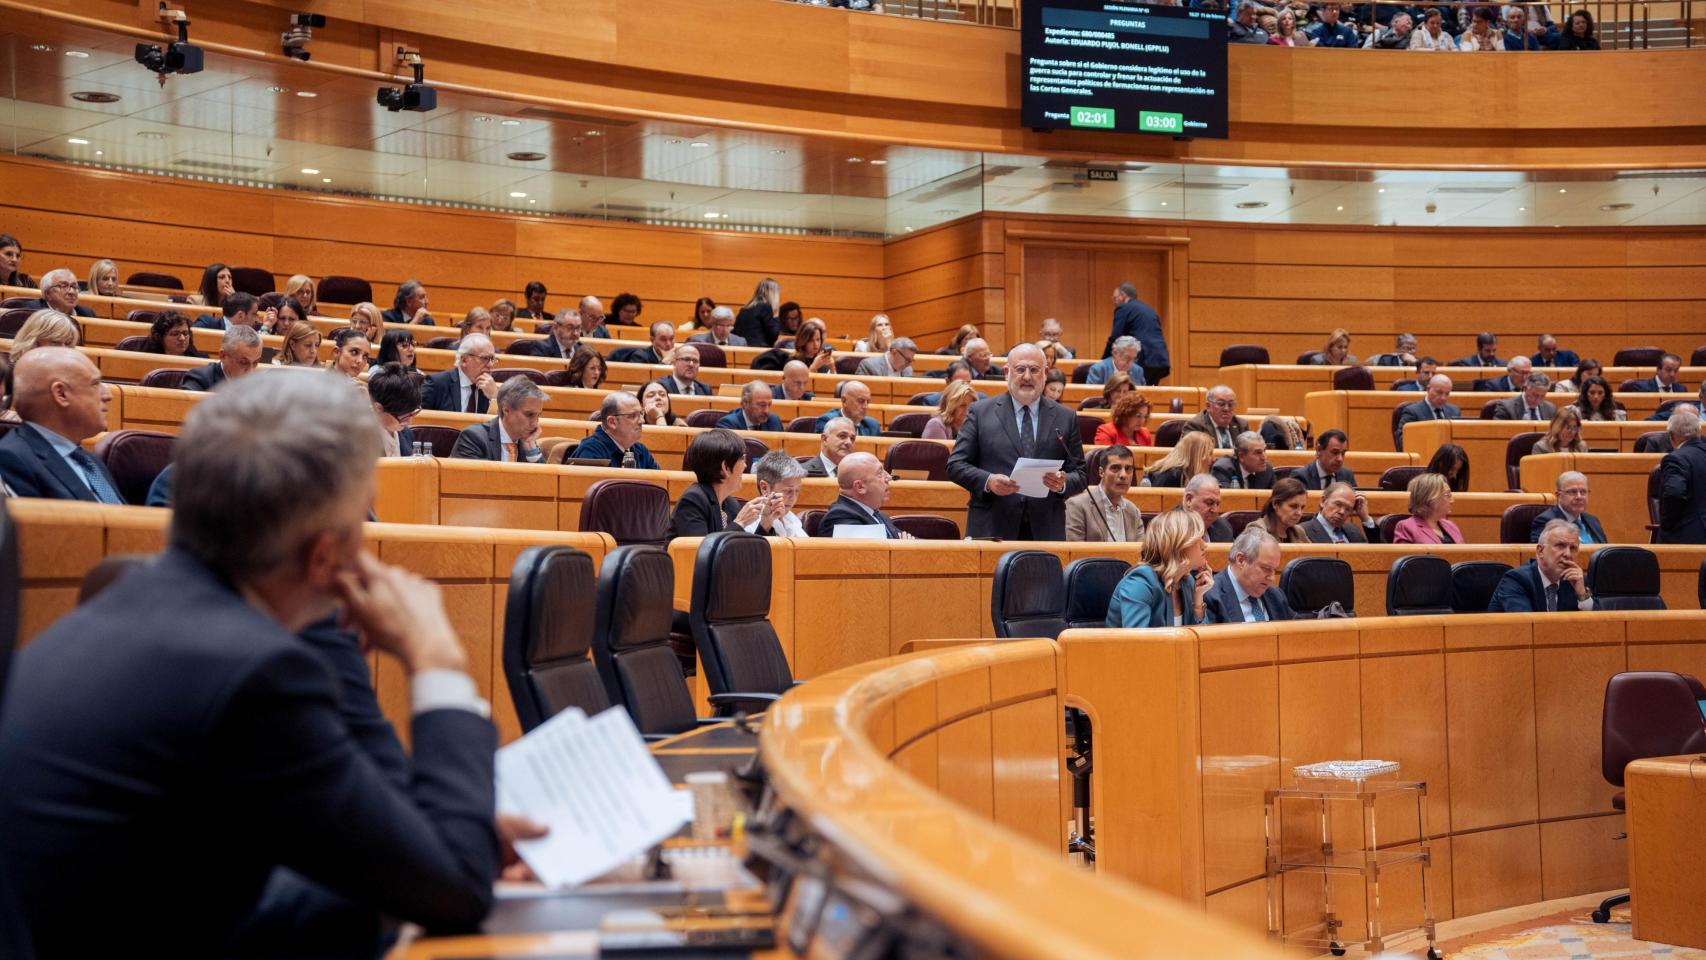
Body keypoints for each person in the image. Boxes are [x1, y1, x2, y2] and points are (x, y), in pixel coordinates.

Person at [0, 370, 503, 957]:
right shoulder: (252, 674)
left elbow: (218, 893)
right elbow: (457, 887)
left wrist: (427, 842)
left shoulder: (120, 611)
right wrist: (435, 659)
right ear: (325, 556)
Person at [946, 344, 1087, 540]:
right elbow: (956, 465)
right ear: (1006, 372)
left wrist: (1062, 483)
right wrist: (989, 481)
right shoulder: (980, 412)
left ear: (1045, 373)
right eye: (1020, 369)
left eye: (1034, 370)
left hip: (1045, 530)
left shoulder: (1066, 417)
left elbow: (1080, 474)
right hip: (992, 526)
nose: (1027, 377)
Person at [0, 347, 121, 502]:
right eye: (95, 384)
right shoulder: (12, 459)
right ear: (61, 394)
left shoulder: (90, 461)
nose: (108, 395)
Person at [1105, 507, 1213, 628]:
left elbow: (1199, 642)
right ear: (1178, 544)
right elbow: (1137, 643)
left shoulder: (1186, 582)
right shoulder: (1140, 582)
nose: (1204, 545)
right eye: (1199, 539)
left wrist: (1198, 602)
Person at [669, 429, 763, 538]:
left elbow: (743, 550)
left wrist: (765, 523)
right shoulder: (693, 501)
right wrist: (739, 523)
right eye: (742, 458)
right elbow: (699, 550)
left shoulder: (731, 505)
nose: (745, 465)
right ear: (725, 467)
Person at [1490, 520, 1597, 612]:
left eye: (1573, 548)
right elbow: (1528, 626)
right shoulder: (1516, 580)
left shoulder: (1575, 582)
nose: (1568, 554)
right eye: (1560, 546)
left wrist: (1582, 595)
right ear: (1540, 551)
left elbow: (1594, 627)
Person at [1203, 528, 1297, 624]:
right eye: (1266, 568)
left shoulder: (1276, 596)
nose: (1272, 578)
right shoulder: (1211, 597)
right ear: (1241, 560)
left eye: (1274, 570)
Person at [816, 452, 910, 539]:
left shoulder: (877, 514)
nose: (889, 478)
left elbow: (908, 542)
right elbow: (871, 555)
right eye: (880, 473)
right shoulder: (840, 517)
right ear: (860, 487)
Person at [450, 377, 545, 463]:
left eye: (538, 415)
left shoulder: (527, 445)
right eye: (529, 415)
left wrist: (532, 451)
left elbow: (545, 481)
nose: (535, 423)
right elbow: (473, 480)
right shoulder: (474, 438)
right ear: (506, 409)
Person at [1066, 444, 1143, 543]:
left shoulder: (1133, 511)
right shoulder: (1077, 506)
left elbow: (1142, 554)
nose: (1123, 475)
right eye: (1115, 468)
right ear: (1101, 472)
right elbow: (1075, 554)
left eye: (1128, 469)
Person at [1104, 283, 1169, 385]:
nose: (1114, 302)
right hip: (1160, 359)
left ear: (1123, 296)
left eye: (1115, 298)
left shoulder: (1123, 308)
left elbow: (1115, 338)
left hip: (1142, 359)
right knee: (1147, 395)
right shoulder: (1150, 310)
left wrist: (1104, 361)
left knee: (1131, 394)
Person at [576, 392, 661, 469]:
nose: (642, 421)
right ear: (612, 422)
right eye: (633, 416)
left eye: (641, 413)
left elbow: (659, 484)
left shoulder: (641, 450)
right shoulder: (589, 451)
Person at [1658, 407, 1706, 543]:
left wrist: (1666, 525)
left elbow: (1674, 493)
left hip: (1688, 536)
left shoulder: (1675, 458)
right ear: (1699, 432)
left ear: (1671, 436)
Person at [421, 334, 498, 414]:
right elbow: (418, 419)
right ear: (464, 360)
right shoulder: (436, 384)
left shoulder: (490, 388)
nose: (490, 365)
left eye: (492, 359)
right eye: (484, 358)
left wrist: (494, 398)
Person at [1526, 470, 1606, 544]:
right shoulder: (1545, 521)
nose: (1579, 497)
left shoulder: (1592, 520)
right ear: (1558, 495)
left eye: (1583, 492)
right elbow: (1543, 555)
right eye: (1573, 492)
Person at [742, 451, 809, 537]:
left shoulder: (792, 519)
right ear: (764, 488)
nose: (793, 498)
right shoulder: (749, 522)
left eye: (797, 491)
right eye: (788, 491)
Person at [183, 325, 263, 392]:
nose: (250, 371)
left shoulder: (260, 385)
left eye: (255, 362)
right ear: (223, 356)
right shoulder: (199, 379)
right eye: (243, 362)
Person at [1392, 472, 1464, 544]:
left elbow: (1465, 554)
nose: (1452, 501)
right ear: (1431, 498)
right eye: (1447, 495)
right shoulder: (1406, 527)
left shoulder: (1451, 525)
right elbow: (1406, 555)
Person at [369, 361, 422, 458]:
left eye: (412, 413)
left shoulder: (406, 433)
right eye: (404, 417)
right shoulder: (359, 438)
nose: (409, 422)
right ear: (379, 408)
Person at [1395, 374, 1460, 449]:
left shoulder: (1454, 411)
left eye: (1447, 394)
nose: (1443, 398)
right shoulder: (1412, 412)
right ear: (1428, 389)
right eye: (1439, 392)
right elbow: (1404, 441)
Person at [1308, 481, 1381, 544]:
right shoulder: (1304, 531)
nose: (1342, 512)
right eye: (1338, 504)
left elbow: (1380, 553)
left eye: (1348, 509)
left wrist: (1365, 518)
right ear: (1323, 501)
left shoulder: (1353, 531)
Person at [753, 317, 833, 373]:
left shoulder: (820, 359)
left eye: (818, 340)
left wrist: (832, 367)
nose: (816, 344)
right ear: (803, 341)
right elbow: (798, 388)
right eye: (811, 341)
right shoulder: (793, 361)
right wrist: (813, 367)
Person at [1246, 478, 1311, 544]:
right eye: (1293, 506)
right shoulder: (1257, 529)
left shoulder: (1298, 532)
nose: (1299, 513)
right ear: (1275, 504)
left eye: (1302, 507)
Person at [1142, 431, 1216, 489]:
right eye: (1209, 454)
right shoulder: (1171, 477)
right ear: (1197, 455)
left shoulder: (1181, 473)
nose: (1213, 459)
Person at [1181, 385, 1247, 448]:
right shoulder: (1195, 426)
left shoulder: (1241, 425)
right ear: (1208, 406)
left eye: (1231, 404)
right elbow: (1187, 454)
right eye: (1221, 404)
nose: (1226, 409)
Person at [1212, 431, 1276, 491]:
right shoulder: (1223, 469)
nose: (1264, 457)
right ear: (1242, 456)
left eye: (1264, 451)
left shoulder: (1267, 470)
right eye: (1258, 453)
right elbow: (1228, 500)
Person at [813, 380, 880, 436]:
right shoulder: (828, 421)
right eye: (861, 401)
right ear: (844, 401)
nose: (865, 406)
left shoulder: (872, 425)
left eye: (867, 402)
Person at [1183, 473, 1236, 543]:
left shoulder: (1223, 528)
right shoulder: (1170, 529)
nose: (1215, 510)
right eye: (1209, 502)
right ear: (1189, 500)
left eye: (1217, 504)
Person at [8, 311, 80, 359]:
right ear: (33, 341)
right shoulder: (8, 374)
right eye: (55, 342)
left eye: (67, 344)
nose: (63, 350)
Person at [718, 381, 783, 432]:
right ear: (745, 403)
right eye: (762, 405)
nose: (767, 411)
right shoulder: (728, 424)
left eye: (769, 405)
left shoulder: (774, 421)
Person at [734, 277, 782, 347]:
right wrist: (776, 316)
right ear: (773, 294)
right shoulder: (765, 307)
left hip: (740, 347)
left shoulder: (745, 308)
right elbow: (774, 334)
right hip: (757, 350)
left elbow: (735, 332)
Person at [29, 268, 97, 318]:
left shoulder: (87, 314)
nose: (71, 292)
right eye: (63, 286)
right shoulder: (31, 311)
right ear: (47, 294)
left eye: (74, 286)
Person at [1492, 373, 1557, 422]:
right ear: (1525, 388)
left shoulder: (1550, 409)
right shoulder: (1506, 407)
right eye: (1535, 395)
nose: (1538, 400)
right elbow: (1499, 432)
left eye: (1542, 396)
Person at [1624, 354, 1688, 393]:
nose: (1672, 374)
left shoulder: (1681, 389)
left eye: (1676, 371)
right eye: (1668, 370)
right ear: (1658, 370)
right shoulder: (1641, 388)